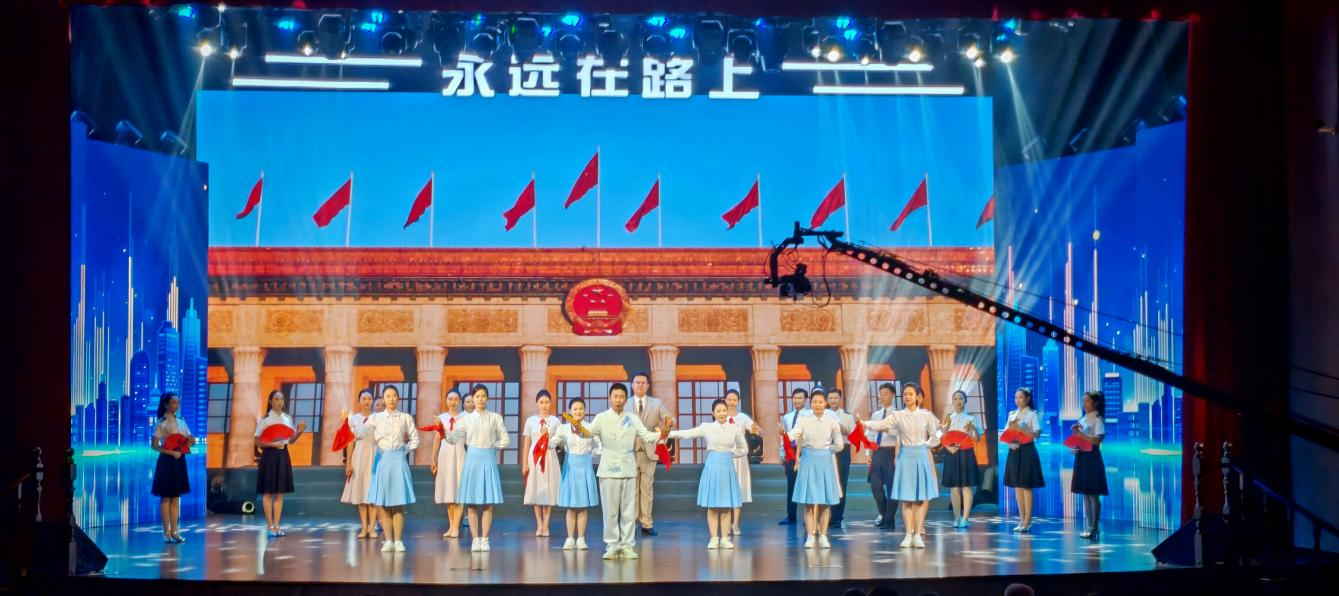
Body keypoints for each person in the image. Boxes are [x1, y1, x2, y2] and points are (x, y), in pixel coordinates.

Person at [584, 382, 670, 559]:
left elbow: (647, 436)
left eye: (621, 397)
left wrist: (663, 433)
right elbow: (587, 432)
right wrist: (577, 427)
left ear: (626, 399)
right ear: (609, 398)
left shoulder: (632, 418)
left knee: (629, 510)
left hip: (629, 467)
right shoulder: (601, 418)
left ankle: (627, 545)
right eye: (615, 396)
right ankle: (611, 545)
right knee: (610, 511)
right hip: (608, 469)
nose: (618, 400)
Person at [863, 382, 939, 548]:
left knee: (919, 499)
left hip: (920, 456)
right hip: (905, 457)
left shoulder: (925, 415)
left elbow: (936, 437)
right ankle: (908, 534)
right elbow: (880, 425)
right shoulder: (898, 415)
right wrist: (863, 423)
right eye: (905, 394)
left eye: (910, 394)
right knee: (907, 499)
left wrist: (925, 445)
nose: (907, 397)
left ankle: (917, 534)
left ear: (917, 397)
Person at [348, 385, 419, 553]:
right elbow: (360, 433)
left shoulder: (405, 417)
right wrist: (350, 420)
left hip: (399, 460)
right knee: (384, 503)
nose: (391, 399)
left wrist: (404, 450)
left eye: (394, 396)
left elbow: (415, 439)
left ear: (398, 398)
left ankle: (398, 541)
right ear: (383, 399)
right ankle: (388, 540)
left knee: (398, 503)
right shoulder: (376, 418)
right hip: (382, 461)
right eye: (388, 396)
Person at [668, 398, 747, 549]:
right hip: (712, 467)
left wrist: (731, 454)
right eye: (718, 411)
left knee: (726, 505)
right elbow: (687, 434)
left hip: (727, 468)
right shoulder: (707, 427)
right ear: (713, 413)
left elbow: (744, 449)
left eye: (724, 410)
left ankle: (725, 538)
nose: (722, 413)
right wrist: (667, 434)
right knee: (713, 506)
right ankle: (714, 538)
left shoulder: (734, 428)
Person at [446, 384, 510, 552]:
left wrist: (493, 447)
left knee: (488, 503)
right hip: (472, 460)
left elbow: (505, 439)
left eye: (483, 396)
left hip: (488, 458)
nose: (480, 399)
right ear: (473, 399)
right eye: (477, 396)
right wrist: (442, 430)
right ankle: (475, 539)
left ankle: (485, 539)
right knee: (472, 503)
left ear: (487, 398)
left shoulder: (495, 417)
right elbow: (454, 438)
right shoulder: (465, 419)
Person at [788, 387, 844, 549]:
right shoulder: (804, 419)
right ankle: (811, 536)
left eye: (820, 402)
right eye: (814, 402)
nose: (817, 404)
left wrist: (826, 450)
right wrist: (784, 435)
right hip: (808, 460)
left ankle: (824, 536)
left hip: (825, 461)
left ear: (825, 403)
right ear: (810, 403)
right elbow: (794, 434)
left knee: (824, 502)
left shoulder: (831, 420)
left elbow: (839, 444)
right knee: (808, 502)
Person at [255, 389, 306, 538]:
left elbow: (291, 440)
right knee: (268, 492)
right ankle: (269, 526)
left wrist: (299, 432)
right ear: (270, 401)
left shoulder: (287, 418)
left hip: (283, 456)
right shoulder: (265, 420)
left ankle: (277, 526)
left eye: (282, 399)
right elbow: (257, 441)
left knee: (279, 493)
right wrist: (273, 444)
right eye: (276, 399)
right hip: (268, 457)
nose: (279, 402)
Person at [551, 398, 601, 550]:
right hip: (570, 466)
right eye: (574, 409)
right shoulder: (564, 428)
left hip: (585, 466)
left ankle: (581, 538)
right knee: (571, 506)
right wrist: (545, 438)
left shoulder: (590, 427)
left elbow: (601, 446)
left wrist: (591, 453)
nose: (578, 411)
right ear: (570, 411)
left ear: (585, 411)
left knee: (583, 506)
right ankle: (569, 539)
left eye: (580, 409)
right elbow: (552, 443)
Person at [628, 372, 670, 536]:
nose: (640, 385)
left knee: (647, 490)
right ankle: (631, 524)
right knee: (631, 491)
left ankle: (647, 524)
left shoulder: (656, 403)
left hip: (649, 452)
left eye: (643, 382)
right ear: (632, 385)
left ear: (647, 385)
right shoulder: (625, 403)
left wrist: (668, 421)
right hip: (629, 452)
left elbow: (668, 418)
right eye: (637, 382)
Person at [150, 392, 194, 544]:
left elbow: (188, 440)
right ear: (166, 404)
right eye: (174, 403)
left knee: (176, 497)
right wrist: (171, 453)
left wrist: (190, 441)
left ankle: (175, 531)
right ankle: (166, 532)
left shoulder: (182, 421)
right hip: (166, 461)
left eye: (178, 403)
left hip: (179, 460)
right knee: (166, 497)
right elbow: (154, 446)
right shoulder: (160, 423)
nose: (176, 405)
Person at [522, 389, 562, 537]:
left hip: (550, 458)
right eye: (541, 402)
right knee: (536, 490)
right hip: (534, 459)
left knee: (548, 491)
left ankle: (546, 525)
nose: (544, 405)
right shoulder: (530, 421)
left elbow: (560, 443)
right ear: (537, 403)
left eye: (547, 402)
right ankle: (539, 524)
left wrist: (548, 435)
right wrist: (524, 464)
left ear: (551, 403)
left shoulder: (555, 421)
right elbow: (527, 443)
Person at [1003, 387, 1044, 532]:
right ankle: (1021, 520)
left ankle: (1028, 520)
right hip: (1014, 451)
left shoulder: (1032, 414)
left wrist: (1020, 428)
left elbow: (1037, 434)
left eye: (1020, 397)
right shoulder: (1012, 414)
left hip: (1027, 451)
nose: (1018, 400)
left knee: (1026, 486)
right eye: (1016, 397)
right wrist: (1009, 444)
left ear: (1027, 399)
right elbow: (1005, 434)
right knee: (1017, 486)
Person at [940, 390, 983, 528]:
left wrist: (973, 429)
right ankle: (957, 517)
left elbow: (977, 438)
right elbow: (940, 436)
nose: (958, 401)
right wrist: (948, 447)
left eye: (961, 399)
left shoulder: (971, 418)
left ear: (965, 401)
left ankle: (965, 518)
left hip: (966, 453)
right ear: (952, 402)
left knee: (967, 486)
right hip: (952, 453)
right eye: (956, 399)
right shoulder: (948, 418)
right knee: (954, 487)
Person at [1070, 391, 1109, 539]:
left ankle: (1094, 527)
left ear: (1095, 403)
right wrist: (1074, 448)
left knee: (1093, 494)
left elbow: (1098, 441)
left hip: (1092, 457)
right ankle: (1089, 526)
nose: (1084, 404)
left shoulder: (1098, 419)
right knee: (1085, 494)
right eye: (1083, 401)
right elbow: (1078, 439)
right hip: (1081, 457)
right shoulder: (1082, 419)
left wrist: (1080, 434)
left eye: (1087, 401)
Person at [340, 389, 378, 539]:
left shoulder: (377, 418)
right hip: (359, 457)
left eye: (369, 398)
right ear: (359, 401)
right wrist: (348, 463)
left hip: (374, 456)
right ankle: (364, 527)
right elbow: (350, 442)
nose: (367, 401)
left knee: (373, 494)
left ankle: (372, 528)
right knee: (361, 493)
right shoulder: (353, 419)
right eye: (364, 398)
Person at [723, 388, 760, 535]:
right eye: (729, 399)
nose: (731, 402)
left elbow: (756, 430)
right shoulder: (721, 416)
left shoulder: (743, 417)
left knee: (738, 489)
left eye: (734, 400)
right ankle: (726, 523)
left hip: (740, 458)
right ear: (725, 400)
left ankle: (735, 524)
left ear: (738, 401)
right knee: (726, 490)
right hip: (725, 457)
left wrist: (755, 430)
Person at [431, 389, 467, 539]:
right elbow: (437, 439)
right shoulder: (441, 418)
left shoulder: (466, 418)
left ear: (460, 401)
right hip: (445, 456)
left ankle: (456, 527)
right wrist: (433, 459)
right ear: (446, 401)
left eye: (456, 399)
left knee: (459, 492)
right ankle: (451, 525)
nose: (453, 402)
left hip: (460, 455)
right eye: (450, 399)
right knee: (448, 491)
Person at [867, 383, 899, 530]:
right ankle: (885, 515)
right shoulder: (876, 415)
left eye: (886, 393)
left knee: (892, 487)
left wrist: (887, 429)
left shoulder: (898, 414)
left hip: (891, 452)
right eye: (881, 394)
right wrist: (868, 452)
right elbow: (871, 434)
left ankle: (888, 519)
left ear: (892, 395)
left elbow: (901, 434)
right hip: (877, 452)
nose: (882, 396)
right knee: (875, 486)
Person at [776, 388, 810, 526]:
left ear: (805, 400)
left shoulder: (809, 415)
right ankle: (791, 516)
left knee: (807, 484)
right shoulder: (787, 417)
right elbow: (783, 437)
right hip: (790, 453)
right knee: (791, 485)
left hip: (806, 451)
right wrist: (782, 453)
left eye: (800, 398)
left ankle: (809, 517)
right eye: (795, 398)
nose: (797, 400)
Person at [825, 387, 857, 529]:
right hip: (827, 450)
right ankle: (827, 515)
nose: (833, 400)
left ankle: (837, 516)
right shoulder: (823, 415)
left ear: (840, 399)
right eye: (830, 398)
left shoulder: (847, 416)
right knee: (828, 482)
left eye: (835, 398)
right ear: (827, 400)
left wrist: (838, 424)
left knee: (841, 483)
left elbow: (852, 435)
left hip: (843, 451)